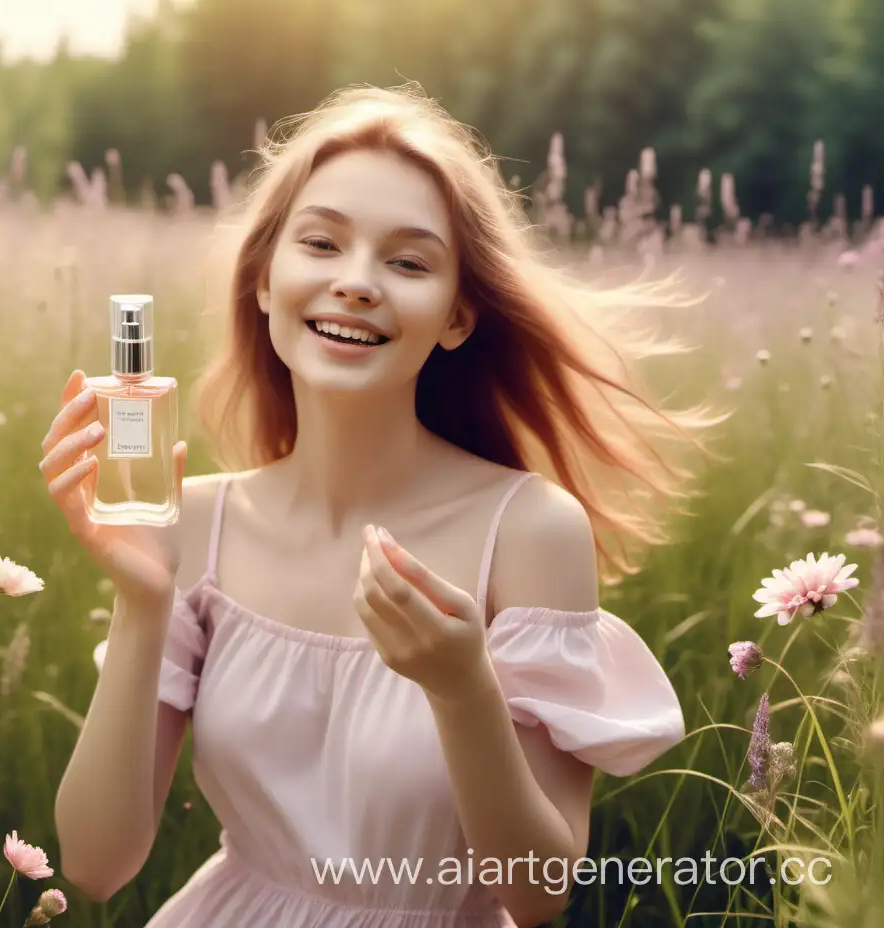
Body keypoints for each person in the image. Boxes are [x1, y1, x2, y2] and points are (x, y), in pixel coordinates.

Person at [41, 83, 727, 928]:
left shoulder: (528, 533)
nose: (357, 284)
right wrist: (143, 603)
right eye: (322, 243)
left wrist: (464, 688)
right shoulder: (193, 525)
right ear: (263, 280)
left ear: (457, 317)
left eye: (408, 262)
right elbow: (96, 866)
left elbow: (538, 894)